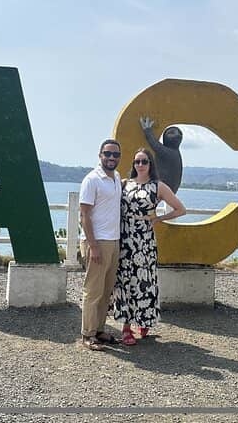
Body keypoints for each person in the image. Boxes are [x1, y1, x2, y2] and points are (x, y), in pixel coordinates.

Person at [110, 148, 186, 346]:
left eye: (144, 161)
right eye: (137, 162)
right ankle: (126, 328)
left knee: (144, 280)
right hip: (125, 237)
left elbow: (180, 209)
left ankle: (144, 320)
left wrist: (159, 218)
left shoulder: (158, 186)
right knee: (125, 280)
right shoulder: (125, 184)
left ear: (151, 164)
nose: (140, 165)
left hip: (144, 240)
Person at [78, 139, 124, 351]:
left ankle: (99, 329)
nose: (111, 158)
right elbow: (84, 215)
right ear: (100, 155)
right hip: (97, 242)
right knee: (93, 290)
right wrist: (93, 245)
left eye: (115, 154)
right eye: (108, 154)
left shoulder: (115, 179)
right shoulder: (91, 180)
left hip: (113, 241)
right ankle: (87, 334)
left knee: (106, 291)